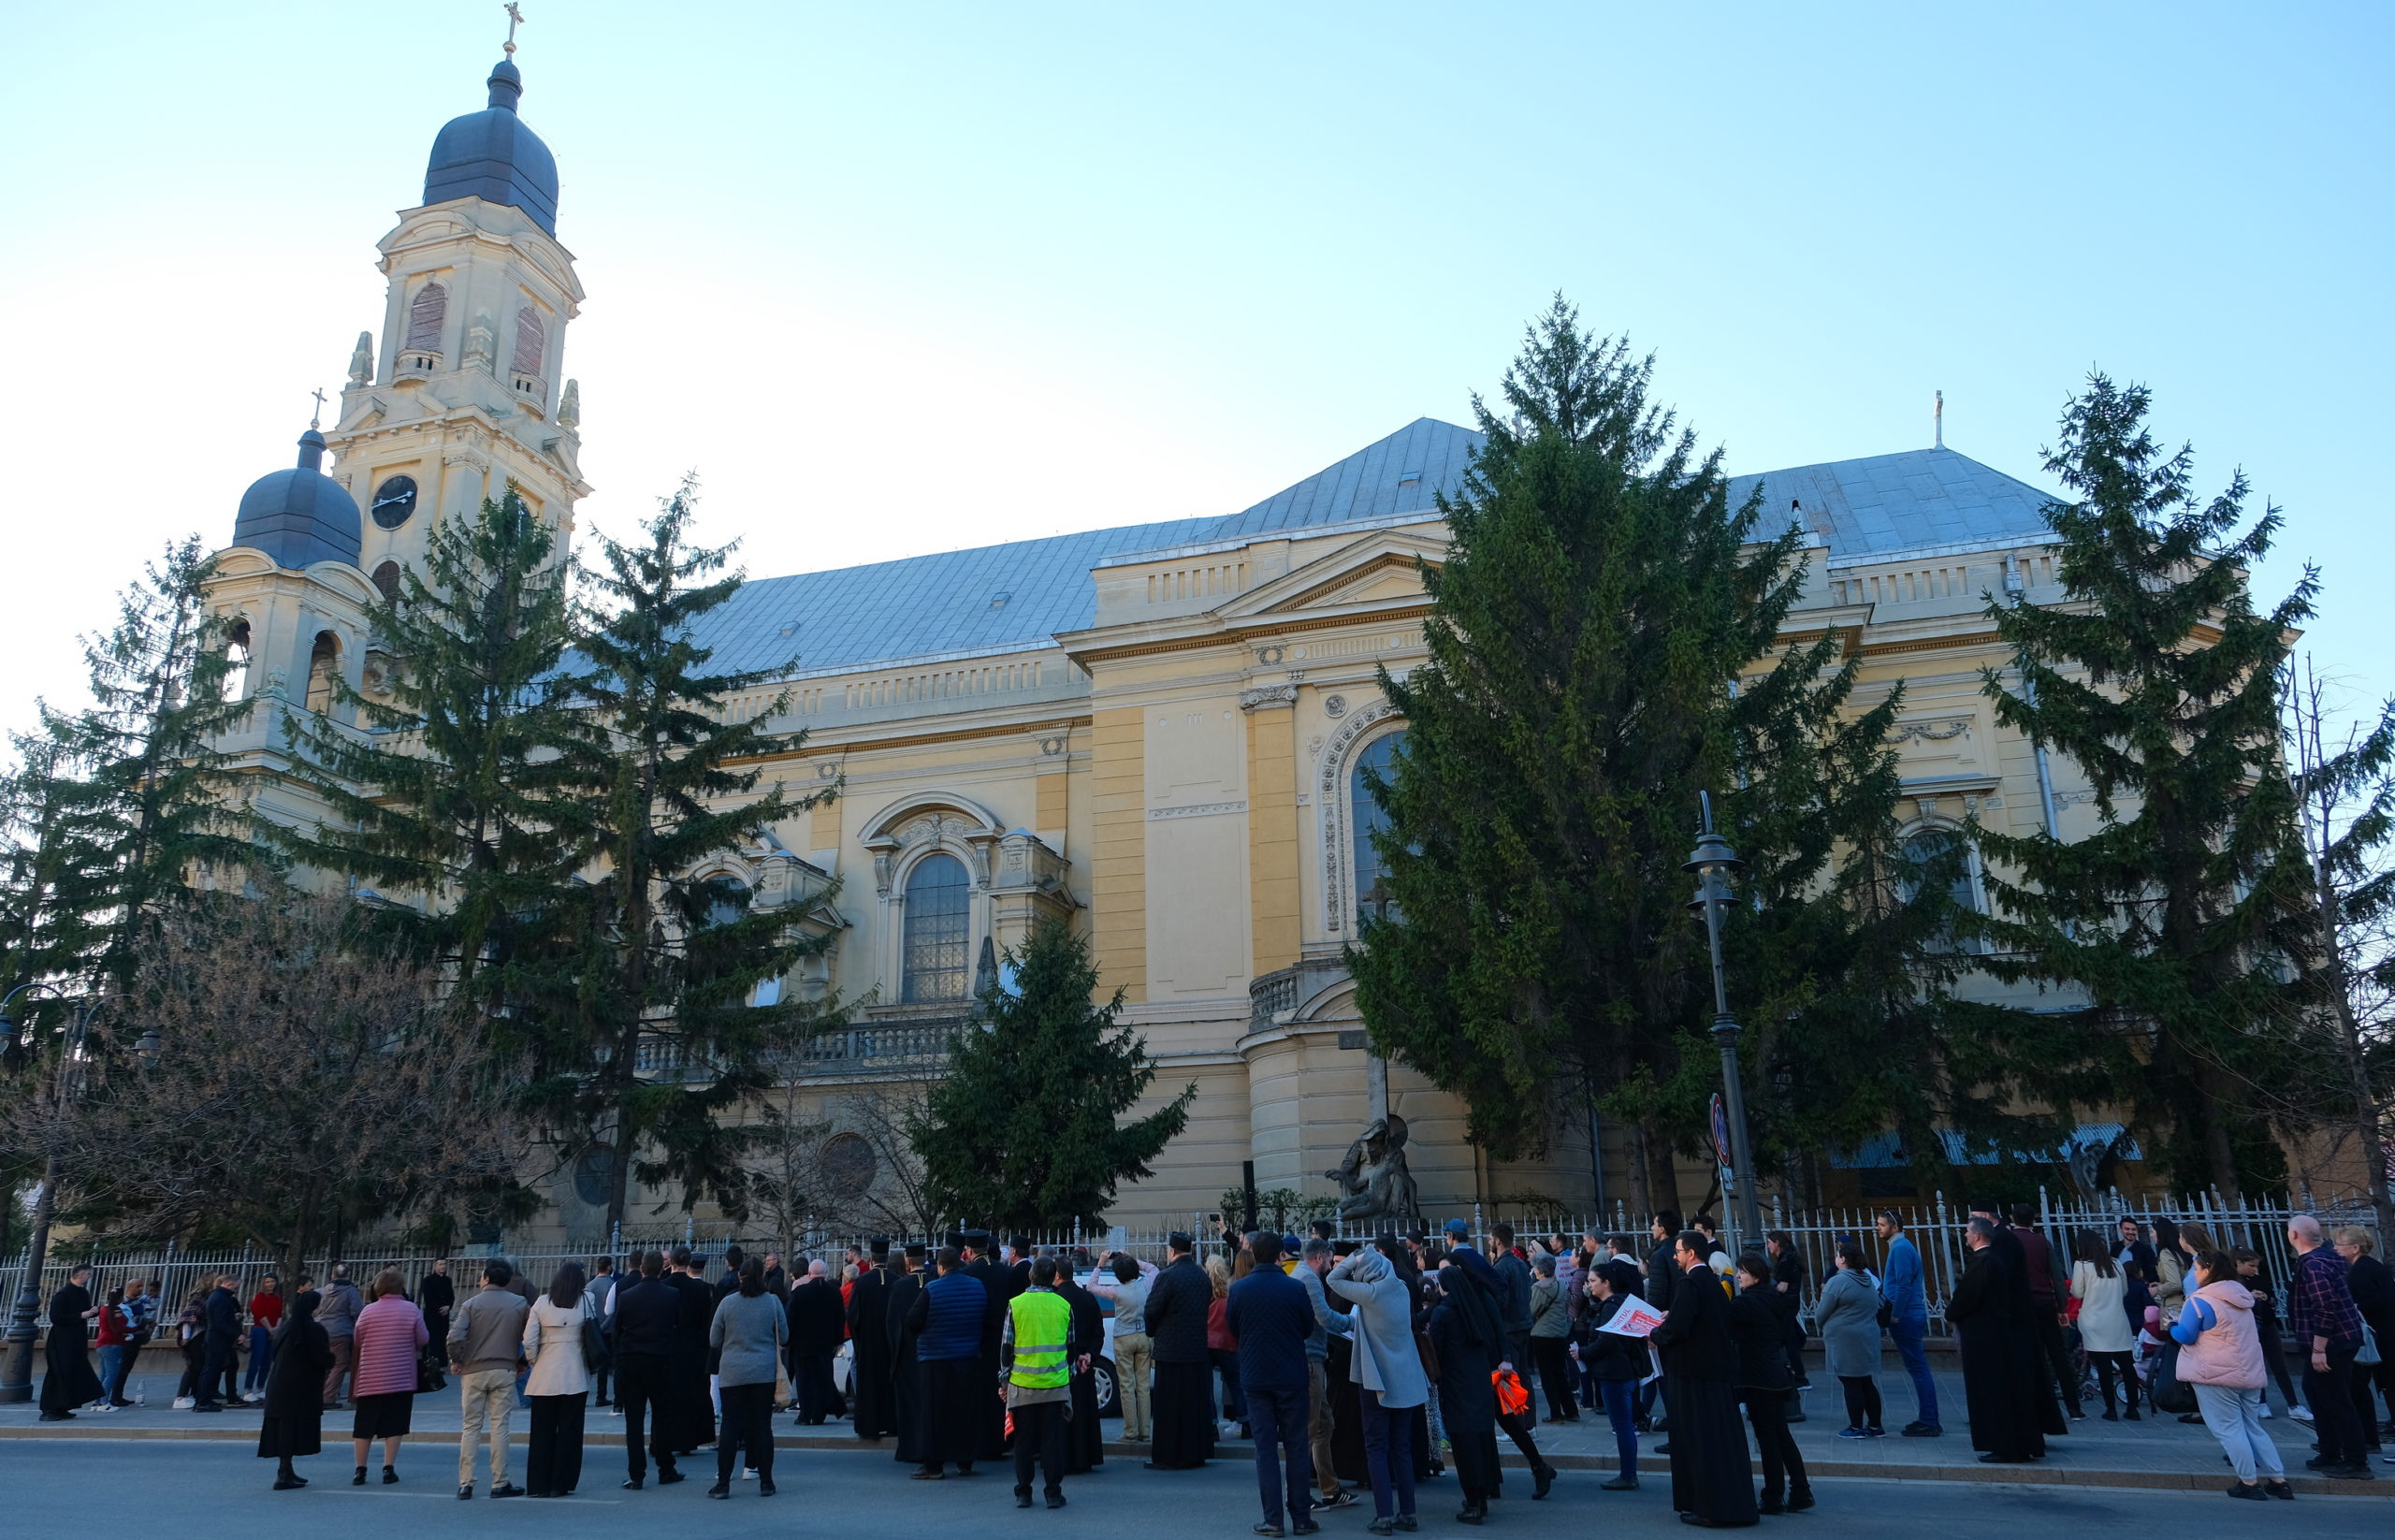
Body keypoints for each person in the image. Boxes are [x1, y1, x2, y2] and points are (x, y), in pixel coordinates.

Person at [1647, 1230, 1758, 1528]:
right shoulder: (1710, 1281)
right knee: (1719, 1441)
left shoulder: (1689, 1283)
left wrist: (1656, 1333)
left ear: (1691, 1254)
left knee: (1701, 1441)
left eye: (1678, 1251)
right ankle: (1723, 1505)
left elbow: (1679, 1328)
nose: (1675, 1256)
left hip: (1694, 1375)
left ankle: (1710, 1508)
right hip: (1715, 1373)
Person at [2164, 1248, 2293, 1500]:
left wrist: (2172, 1326)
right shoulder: (2242, 1295)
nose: (2194, 1273)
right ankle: (2279, 1481)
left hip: (2215, 1374)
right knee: (2253, 1426)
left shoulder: (2200, 1300)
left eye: (2197, 1268)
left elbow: (2186, 1336)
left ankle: (2249, 1483)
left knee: (2229, 1429)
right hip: (2249, 1371)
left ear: (2207, 1270)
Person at [1328, 1239, 1428, 1535]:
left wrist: (1354, 1260)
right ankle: (1408, 1513)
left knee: (1376, 1447)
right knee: (1401, 1448)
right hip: (1406, 1378)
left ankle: (1384, 1516)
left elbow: (1333, 1279)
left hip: (1376, 1379)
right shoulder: (1400, 1288)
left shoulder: (1369, 1293)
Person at [1227, 1233, 1315, 1537]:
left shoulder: (1239, 1289)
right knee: (1296, 1446)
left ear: (1253, 1255)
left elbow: (1233, 1327)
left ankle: (1273, 1519)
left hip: (1256, 1376)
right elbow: (1307, 1328)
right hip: (1291, 1375)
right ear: (1281, 1255)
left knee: (1265, 1450)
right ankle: (1301, 1518)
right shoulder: (1295, 1288)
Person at [1949, 1218, 2043, 1463]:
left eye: (1968, 1231)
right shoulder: (1992, 1260)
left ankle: (2004, 1445)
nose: (1965, 1236)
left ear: (1978, 1235)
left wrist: (1951, 1313)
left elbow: (1966, 1296)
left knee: (1993, 1391)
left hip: (1985, 1336)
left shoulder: (1983, 1261)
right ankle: (2013, 1444)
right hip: (1994, 1333)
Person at [2286, 1213, 2373, 1478]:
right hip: (2337, 1339)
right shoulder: (2325, 1259)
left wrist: (2319, 1349)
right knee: (2315, 1391)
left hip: (2331, 1343)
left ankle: (2356, 1461)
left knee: (2336, 1399)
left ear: (2294, 1235)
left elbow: (2324, 1308)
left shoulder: (2314, 1265)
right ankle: (2330, 1451)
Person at [1730, 1255, 1812, 1514]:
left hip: (1757, 1376)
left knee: (1767, 1439)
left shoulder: (1746, 1303)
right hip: (1777, 1372)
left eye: (1743, 1271)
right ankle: (1801, 1490)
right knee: (1781, 1435)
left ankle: (1773, 1496)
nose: (1738, 1276)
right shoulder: (1775, 1299)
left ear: (1756, 1275)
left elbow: (1725, 1328)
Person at [1003, 1256, 1082, 1511]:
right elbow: (1071, 1347)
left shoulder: (1016, 1304)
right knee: (1052, 1442)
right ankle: (1053, 1494)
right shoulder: (1063, 1305)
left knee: (1024, 1442)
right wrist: (1070, 1376)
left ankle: (1023, 1493)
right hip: (1055, 1386)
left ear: (1031, 1276)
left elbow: (1006, 1347)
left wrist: (1004, 1381)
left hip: (1023, 1385)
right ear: (1053, 1277)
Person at [1426, 1266, 1502, 1524]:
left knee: (1463, 1445)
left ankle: (1473, 1502)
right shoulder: (1473, 1308)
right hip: (1478, 1381)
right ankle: (1482, 1497)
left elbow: (1436, 1350)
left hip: (1456, 1384)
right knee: (1481, 1440)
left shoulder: (1443, 1313)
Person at [448, 1257, 530, 1499]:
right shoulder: (519, 1303)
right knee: (500, 1425)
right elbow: (531, 1336)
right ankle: (499, 1482)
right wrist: (522, 1362)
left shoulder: (470, 1304)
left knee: (471, 1426)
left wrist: (457, 1360)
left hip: (473, 1370)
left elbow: (454, 1336)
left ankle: (466, 1483)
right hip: (505, 1368)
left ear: (485, 1279)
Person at [905, 1245, 987, 1479]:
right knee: (965, 1411)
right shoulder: (977, 1286)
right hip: (968, 1357)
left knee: (934, 1414)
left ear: (940, 1266)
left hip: (935, 1359)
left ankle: (934, 1465)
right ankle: (965, 1460)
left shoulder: (932, 1289)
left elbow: (912, 1320)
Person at [707, 1257, 786, 1498]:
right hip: (763, 1371)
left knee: (730, 1426)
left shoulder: (727, 1303)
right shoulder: (772, 1302)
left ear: (740, 1276)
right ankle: (766, 1482)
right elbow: (784, 1336)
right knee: (762, 1426)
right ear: (763, 1276)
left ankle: (723, 1484)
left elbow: (714, 1340)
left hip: (732, 1372)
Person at [347, 1269, 428, 1489]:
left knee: (364, 1426)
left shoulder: (367, 1311)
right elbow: (423, 1339)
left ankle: (360, 1470)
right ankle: (388, 1468)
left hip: (370, 1378)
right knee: (394, 1425)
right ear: (400, 1287)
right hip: (400, 1378)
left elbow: (358, 1339)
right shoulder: (411, 1309)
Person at [1144, 1231, 1219, 1470]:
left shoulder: (1167, 1276)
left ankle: (1169, 1456)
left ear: (1172, 1251)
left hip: (1171, 1351)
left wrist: (1152, 1330)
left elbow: (1152, 1310)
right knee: (1194, 1406)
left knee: (1170, 1408)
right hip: (1196, 1349)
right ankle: (1195, 1453)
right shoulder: (1201, 1276)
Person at [613, 1251, 685, 1489]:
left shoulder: (627, 1296)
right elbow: (679, 1325)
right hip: (660, 1360)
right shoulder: (671, 1294)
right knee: (662, 1416)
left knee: (634, 1420)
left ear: (642, 1269)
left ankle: (636, 1474)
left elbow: (617, 1330)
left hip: (632, 1360)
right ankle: (666, 1468)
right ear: (661, 1269)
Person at [522, 1261, 593, 1499]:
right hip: (575, 1371)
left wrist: (534, 1362)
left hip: (545, 1372)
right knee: (570, 1431)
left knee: (541, 1431)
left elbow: (529, 1339)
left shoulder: (542, 1302)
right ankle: (562, 1483)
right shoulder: (586, 1300)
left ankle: (539, 1483)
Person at [1293, 1238, 1355, 1509]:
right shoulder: (1309, 1279)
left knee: (1323, 1424)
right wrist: (1353, 1322)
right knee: (1309, 1429)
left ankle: (1330, 1489)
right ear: (1319, 1257)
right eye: (1330, 1260)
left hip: (1310, 1357)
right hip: (1310, 1361)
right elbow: (1325, 1318)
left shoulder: (1301, 1275)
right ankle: (1299, 1496)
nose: (1331, 1265)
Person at [2008, 1204, 2081, 1419]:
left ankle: (2036, 1404)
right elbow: (2056, 1277)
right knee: (2058, 1354)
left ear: (2012, 1218)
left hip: (2020, 1303)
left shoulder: (2009, 1241)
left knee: (2028, 1354)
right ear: (2033, 1221)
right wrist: (2061, 1307)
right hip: (2045, 1302)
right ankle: (2073, 1405)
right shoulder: (2042, 1242)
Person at [256, 1286, 334, 1489]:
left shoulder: (287, 1327)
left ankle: (286, 1470)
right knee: (292, 1429)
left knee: (285, 1428)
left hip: (280, 1384)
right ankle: (284, 1474)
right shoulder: (313, 1329)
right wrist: (332, 1359)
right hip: (301, 1387)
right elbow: (321, 1357)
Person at [1869, 1211, 1939, 1436]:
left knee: (1918, 1367)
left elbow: (1903, 1284)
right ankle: (1928, 1418)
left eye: (1882, 1225)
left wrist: (1896, 1314)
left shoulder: (1900, 1248)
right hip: (1908, 1313)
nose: (1878, 1228)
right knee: (1917, 1367)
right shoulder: (1900, 1247)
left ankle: (1929, 1420)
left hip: (1907, 1315)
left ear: (1895, 1227)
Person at [1813, 1239, 1885, 1438]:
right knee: (1866, 1382)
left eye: (1837, 1255)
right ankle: (1875, 1426)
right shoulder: (1867, 1279)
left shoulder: (1837, 1281)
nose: (1836, 1258)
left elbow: (1822, 1311)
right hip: (1867, 1335)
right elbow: (1877, 1304)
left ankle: (1856, 1427)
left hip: (1844, 1339)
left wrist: (1822, 1323)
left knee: (1850, 1382)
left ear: (1843, 1259)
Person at [2333, 1227, 2395, 1449]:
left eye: (2339, 1244)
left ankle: (2367, 1438)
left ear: (2355, 1248)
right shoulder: (2371, 1266)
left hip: (2377, 1336)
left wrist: (2354, 1307)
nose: (2336, 1248)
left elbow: (2376, 1301)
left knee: (2363, 1385)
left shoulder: (2361, 1270)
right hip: (2384, 1334)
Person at [2068, 1231, 2139, 1419]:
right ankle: (2133, 1408)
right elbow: (2124, 1290)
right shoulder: (2115, 1264)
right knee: (2126, 1364)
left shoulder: (2082, 1265)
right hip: (2118, 1320)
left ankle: (2111, 1409)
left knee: (2104, 1366)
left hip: (2094, 1321)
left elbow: (2077, 1292)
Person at [2229, 1247, 2305, 1419]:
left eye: (2256, 1266)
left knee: (2279, 1365)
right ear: (2238, 1263)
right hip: (2248, 1328)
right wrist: (2249, 1296)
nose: (2255, 1269)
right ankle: (2261, 1403)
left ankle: (2293, 1404)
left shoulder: (2260, 1279)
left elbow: (2274, 1300)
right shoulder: (2233, 1283)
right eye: (2251, 1265)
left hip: (2268, 1324)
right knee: (2256, 1366)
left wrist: (2266, 1298)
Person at [1094, 1249, 1157, 1443]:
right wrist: (1132, 1258)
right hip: (1144, 1336)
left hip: (1123, 1337)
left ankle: (1130, 1431)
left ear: (1118, 1275)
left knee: (1127, 1386)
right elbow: (1153, 1269)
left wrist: (1100, 1264)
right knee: (1143, 1386)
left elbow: (1091, 1286)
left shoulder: (1115, 1291)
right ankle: (1145, 1431)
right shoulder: (1145, 1285)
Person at [1053, 1253, 1108, 1475]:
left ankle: (1067, 1459)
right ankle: (1086, 1457)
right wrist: (1089, 1356)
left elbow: (1059, 1335)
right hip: (1085, 1363)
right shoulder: (1087, 1297)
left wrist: (1075, 1356)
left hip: (1065, 1364)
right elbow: (1098, 1331)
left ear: (1057, 1275)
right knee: (1085, 1414)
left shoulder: (1056, 1300)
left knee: (1065, 1414)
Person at [846, 1238, 898, 1440]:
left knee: (869, 1386)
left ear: (871, 1258)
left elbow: (853, 1316)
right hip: (891, 1343)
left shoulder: (862, 1282)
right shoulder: (896, 1281)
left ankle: (870, 1426)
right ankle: (892, 1423)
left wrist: (859, 1341)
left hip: (868, 1344)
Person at [37, 1263, 103, 1421]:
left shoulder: (83, 1293)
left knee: (73, 1372)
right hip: (61, 1342)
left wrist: (94, 1311)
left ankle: (63, 1407)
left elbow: (85, 1311)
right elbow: (56, 1317)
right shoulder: (63, 1294)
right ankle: (48, 1409)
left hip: (77, 1340)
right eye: (88, 1274)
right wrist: (81, 1315)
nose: (90, 1277)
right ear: (80, 1275)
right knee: (57, 1373)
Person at [887, 1242, 931, 1467]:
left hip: (906, 1352)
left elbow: (892, 1323)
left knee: (909, 1403)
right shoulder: (934, 1281)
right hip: (931, 1350)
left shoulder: (900, 1286)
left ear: (907, 1260)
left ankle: (910, 1448)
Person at [786, 1258, 845, 1425]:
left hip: (802, 1345)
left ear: (810, 1273)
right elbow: (840, 1318)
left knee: (804, 1381)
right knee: (822, 1379)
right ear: (825, 1273)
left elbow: (790, 1318)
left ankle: (805, 1415)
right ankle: (819, 1414)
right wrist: (837, 1340)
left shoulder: (799, 1293)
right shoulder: (834, 1292)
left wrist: (788, 1340)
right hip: (825, 1344)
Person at [1488, 1223, 1535, 1417]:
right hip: (1524, 1324)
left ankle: (1518, 1423)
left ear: (1498, 1241)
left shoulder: (1501, 1267)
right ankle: (1529, 1422)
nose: (1489, 1242)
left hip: (1509, 1327)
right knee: (1523, 1376)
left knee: (1511, 1378)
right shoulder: (1520, 1264)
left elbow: (1501, 1301)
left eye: (1490, 1239)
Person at [1527, 1253, 1577, 1423]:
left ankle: (1555, 1413)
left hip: (1542, 1334)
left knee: (1547, 1376)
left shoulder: (1538, 1288)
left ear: (1540, 1270)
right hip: (1560, 1333)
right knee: (1560, 1373)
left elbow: (1532, 1310)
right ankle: (1571, 1411)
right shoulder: (1561, 1285)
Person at [1207, 1254, 1247, 1437]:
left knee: (1207, 1386)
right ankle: (1246, 1422)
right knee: (1236, 1384)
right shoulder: (1231, 1292)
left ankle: (1212, 1426)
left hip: (1207, 1342)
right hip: (1228, 1342)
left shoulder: (1205, 1292)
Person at [1764, 1232, 1808, 1392]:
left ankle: (1800, 1378)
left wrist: (1766, 1287)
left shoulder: (1786, 1260)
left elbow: (1783, 1287)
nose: (1768, 1246)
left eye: (1769, 1242)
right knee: (1790, 1340)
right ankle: (1798, 1376)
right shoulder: (1789, 1257)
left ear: (1777, 1243)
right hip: (1790, 1304)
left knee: (1788, 1342)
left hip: (1785, 1305)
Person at [193, 1273, 241, 1412]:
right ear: (229, 1285)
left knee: (211, 1370)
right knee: (210, 1370)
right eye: (236, 1287)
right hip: (216, 1340)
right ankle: (203, 1401)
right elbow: (220, 1322)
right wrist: (237, 1335)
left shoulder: (219, 1297)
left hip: (216, 1339)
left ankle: (205, 1399)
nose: (236, 1290)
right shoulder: (220, 1298)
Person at [318, 1264, 363, 1408]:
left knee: (325, 1364)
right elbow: (357, 1311)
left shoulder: (324, 1290)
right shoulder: (350, 1291)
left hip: (323, 1330)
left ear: (333, 1275)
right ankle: (328, 1397)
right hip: (341, 1331)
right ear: (348, 1275)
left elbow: (318, 1309)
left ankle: (318, 1394)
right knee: (340, 1364)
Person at [240, 1273, 283, 1403]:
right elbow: (259, 1313)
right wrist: (270, 1329)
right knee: (256, 1359)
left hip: (273, 1330)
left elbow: (280, 1313)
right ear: (263, 1283)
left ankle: (260, 1388)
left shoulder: (278, 1297)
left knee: (267, 1361)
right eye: (267, 1282)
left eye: (273, 1281)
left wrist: (277, 1328)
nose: (270, 1284)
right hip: (260, 1330)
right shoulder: (259, 1297)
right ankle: (248, 1390)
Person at [584, 1256, 618, 1410]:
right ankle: (601, 1396)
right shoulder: (612, 1284)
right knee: (607, 1365)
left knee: (589, 1363)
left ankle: (586, 1394)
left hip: (592, 1328)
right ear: (609, 1267)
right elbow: (613, 1311)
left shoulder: (589, 1286)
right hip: (608, 1329)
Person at [419, 1258, 456, 1391]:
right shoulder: (428, 1280)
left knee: (442, 1338)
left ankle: (442, 1363)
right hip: (432, 1315)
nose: (443, 1266)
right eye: (440, 1264)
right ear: (435, 1266)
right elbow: (428, 1297)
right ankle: (432, 1364)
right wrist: (439, 1307)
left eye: (444, 1264)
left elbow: (451, 1296)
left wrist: (448, 1306)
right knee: (432, 1339)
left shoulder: (447, 1280)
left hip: (444, 1315)